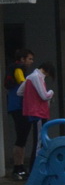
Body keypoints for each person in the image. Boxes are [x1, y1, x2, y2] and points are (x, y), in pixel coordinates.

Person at [18, 63, 53, 173]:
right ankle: (36, 169)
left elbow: (20, 92)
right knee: (39, 141)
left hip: (33, 112)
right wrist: (51, 92)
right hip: (39, 112)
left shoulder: (29, 77)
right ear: (47, 71)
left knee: (38, 140)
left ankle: (35, 168)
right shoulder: (37, 77)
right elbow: (44, 95)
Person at [7, 48, 29, 178]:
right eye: (29, 59)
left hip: (17, 106)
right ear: (22, 59)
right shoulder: (18, 69)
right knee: (21, 137)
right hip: (19, 106)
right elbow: (23, 83)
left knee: (22, 137)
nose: (31, 62)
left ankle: (19, 166)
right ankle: (18, 166)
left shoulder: (16, 68)